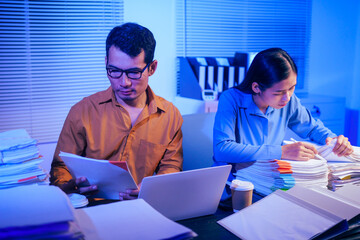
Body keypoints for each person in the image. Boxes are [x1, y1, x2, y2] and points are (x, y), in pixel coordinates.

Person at [50, 22, 183, 200]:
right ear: (106, 63)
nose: (124, 82)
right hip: (91, 208)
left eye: (134, 72)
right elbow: (60, 168)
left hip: (143, 207)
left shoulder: (170, 115)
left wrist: (152, 188)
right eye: (114, 71)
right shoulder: (81, 112)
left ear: (152, 68)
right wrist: (72, 186)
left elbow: (172, 167)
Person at [213, 48, 353, 199]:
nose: (287, 98)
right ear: (256, 87)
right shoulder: (230, 99)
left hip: (270, 183)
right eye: (278, 92)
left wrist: (332, 140)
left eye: (292, 88)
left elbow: (312, 128)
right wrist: (282, 151)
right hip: (234, 187)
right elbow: (222, 149)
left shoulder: (289, 101)